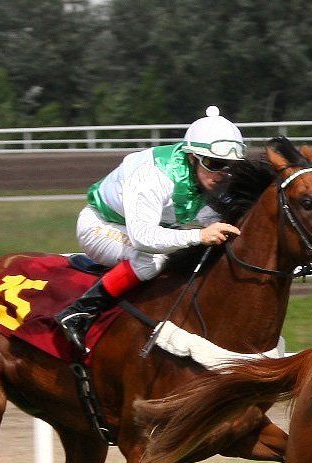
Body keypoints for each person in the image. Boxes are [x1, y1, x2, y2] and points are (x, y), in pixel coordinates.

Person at [55, 106, 246, 357]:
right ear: (191, 157)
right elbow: (144, 238)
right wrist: (198, 236)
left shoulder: (215, 178)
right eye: (214, 163)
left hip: (152, 227)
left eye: (230, 165)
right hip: (101, 226)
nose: (223, 173)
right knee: (153, 260)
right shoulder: (155, 176)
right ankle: (79, 312)